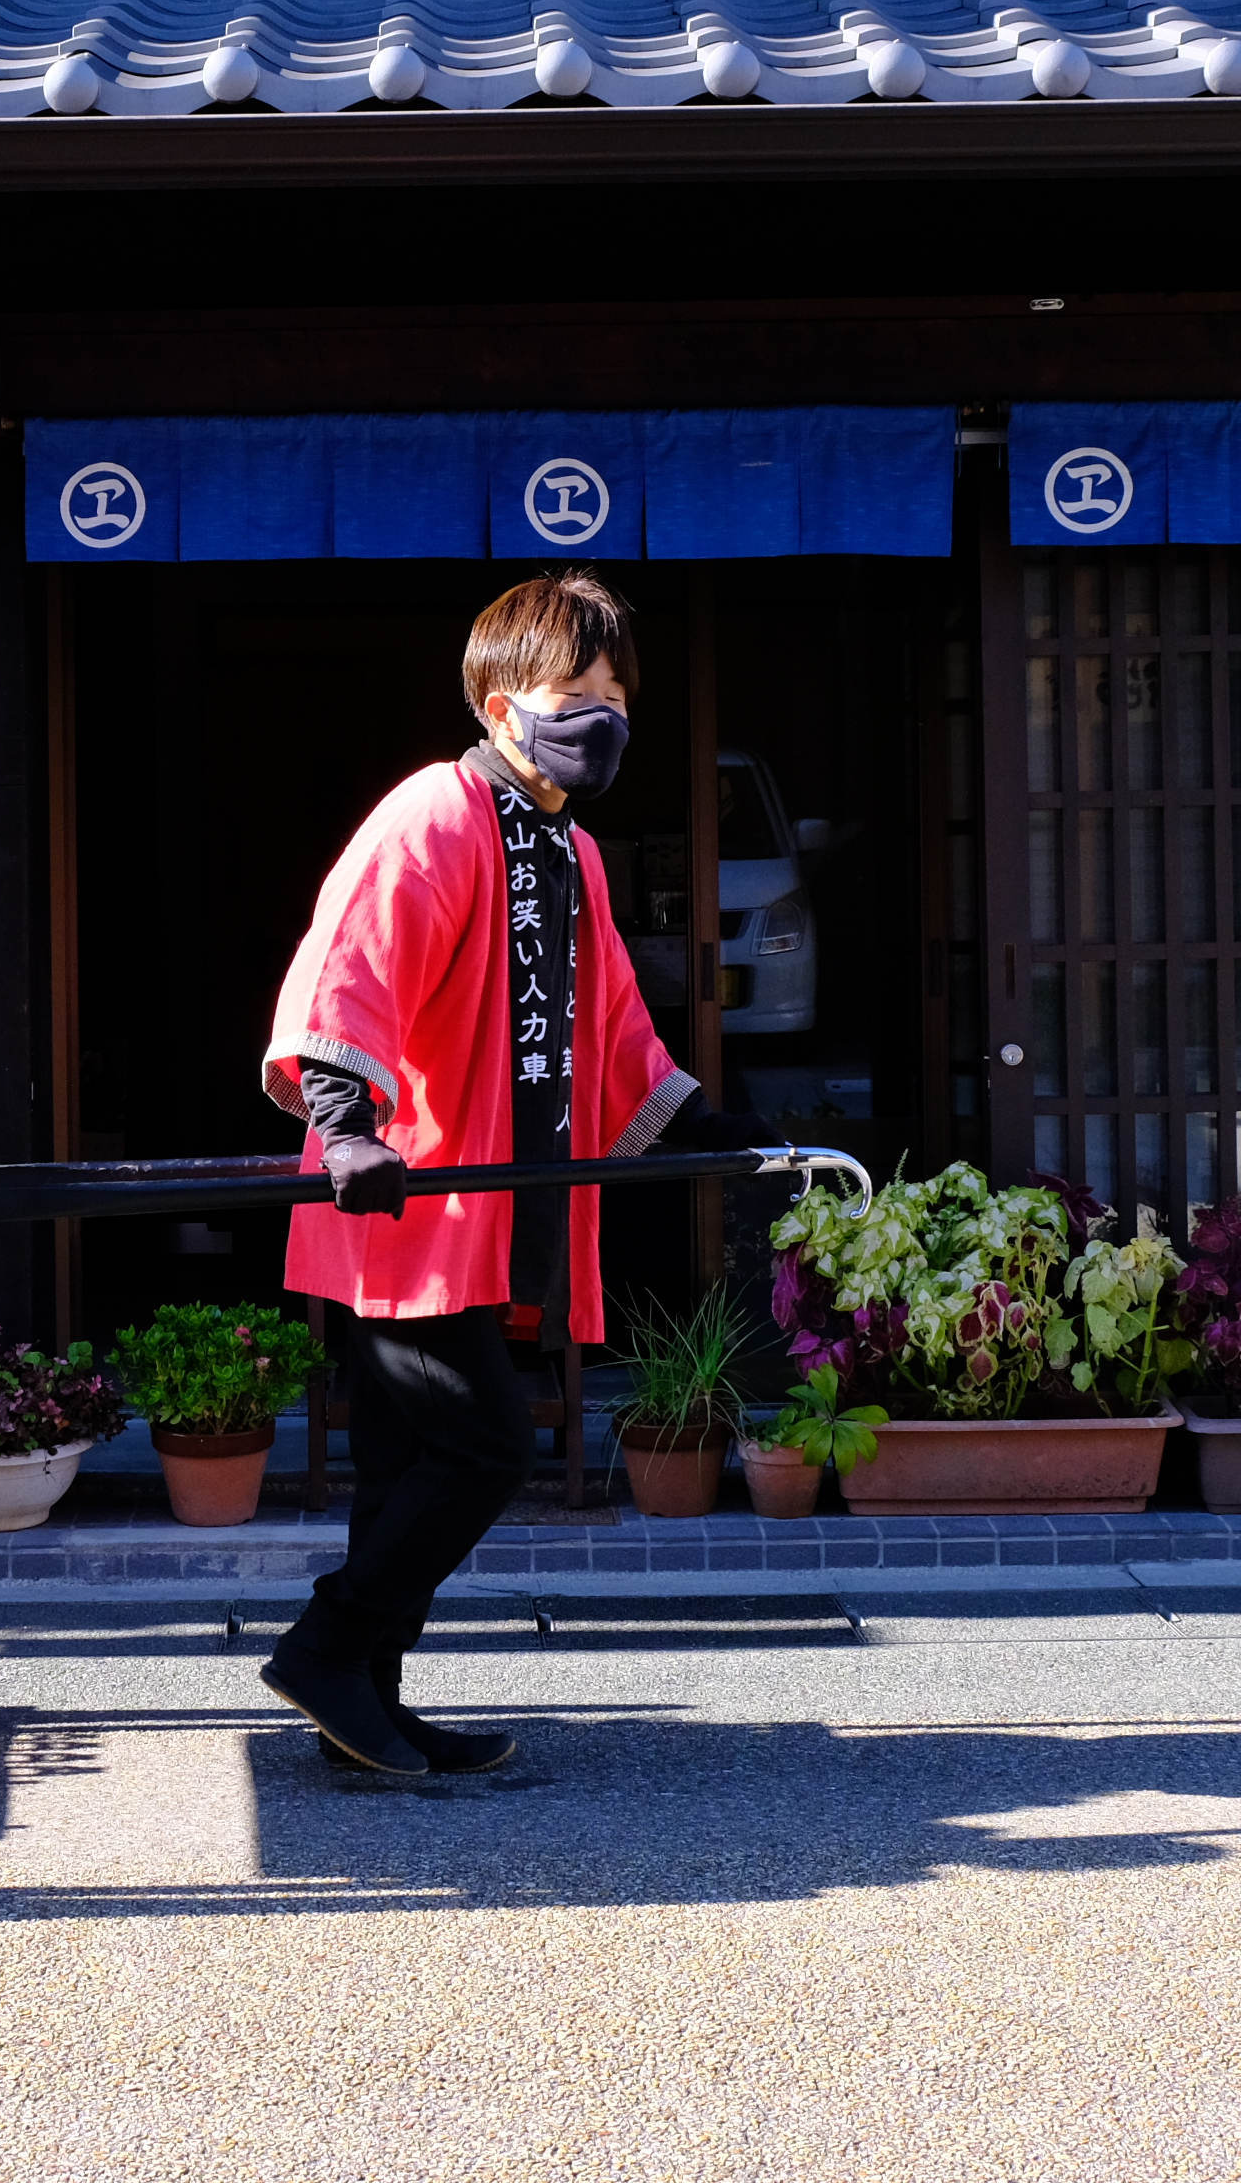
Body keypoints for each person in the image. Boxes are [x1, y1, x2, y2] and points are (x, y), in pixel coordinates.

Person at [256, 571, 769, 1777]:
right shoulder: (433, 814)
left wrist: (695, 1118)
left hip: (491, 1207)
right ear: (498, 703)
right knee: (486, 1443)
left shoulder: (572, 855)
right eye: (572, 689)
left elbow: (614, 1030)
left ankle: (361, 1708)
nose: (601, 713)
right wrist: (344, 1117)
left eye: (613, 691)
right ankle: (331, 1648)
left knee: (400, 1465)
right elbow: (352, 967)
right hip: (400, 1200)